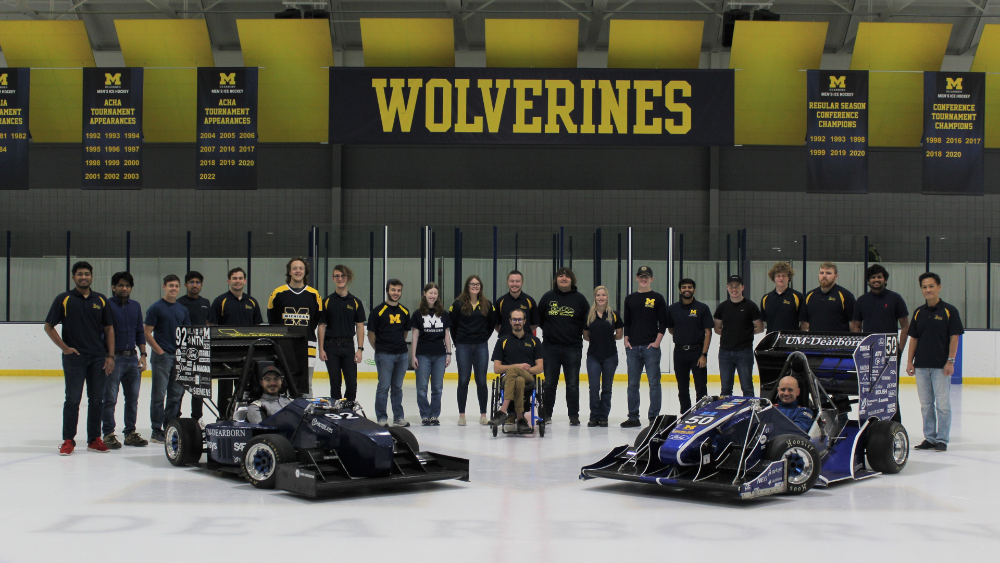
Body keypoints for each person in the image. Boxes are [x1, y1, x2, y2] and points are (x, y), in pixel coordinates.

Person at [44, 261, 115, 456]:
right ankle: (68, 440)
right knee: (73, 399)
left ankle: (94, 439)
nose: (83, 277)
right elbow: (49, 326)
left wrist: (110, 356)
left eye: (87, 274)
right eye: (80, 274)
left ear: (92, 277)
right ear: (73, 277)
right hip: (75, 358)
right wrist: (65, 348)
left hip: (98, 358)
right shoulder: (64, 299)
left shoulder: (100, 300)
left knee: (97, 400)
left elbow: (109, 329)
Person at [906, 273, 963, 453]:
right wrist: (909, 361)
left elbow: (954, 338)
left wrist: (950, 361)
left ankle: (942, 439)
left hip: (940, 366)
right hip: (921, 366)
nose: (928, 290)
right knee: (926, 405)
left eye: (931, 286)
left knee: (943, 405)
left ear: (939, 287)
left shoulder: (949, 311)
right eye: (924, 287)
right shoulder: (918, 312)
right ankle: (929, 437)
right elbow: (913, 338)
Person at [102, 272, 148, 449]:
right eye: (120, 285)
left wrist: (143, 354)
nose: (124, 288)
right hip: (115, 359)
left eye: (127, 286)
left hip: (133, 358)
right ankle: (108, 433)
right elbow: (104, 332)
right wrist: (108, 356)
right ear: (114, 287)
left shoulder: (135, 306)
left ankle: (130, 433)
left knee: (132, 399)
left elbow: (139, 332)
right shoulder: (107, 305)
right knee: (110, 398)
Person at [208, 267, 263, 417]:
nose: (237, 281)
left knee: (246, 388)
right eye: (234, 278)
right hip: (225, 354)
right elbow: (211, 327)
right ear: (228, 281)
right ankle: (224, 417)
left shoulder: (251, 301)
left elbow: (258, 328)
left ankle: (245, 417)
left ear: (244, 281)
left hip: (247, 354)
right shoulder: (220, 301)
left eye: (240, 278)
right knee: (225, 389)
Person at [539, 267, 590, 426]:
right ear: (556, 279)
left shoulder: (580, 299)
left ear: (572, 280)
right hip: (550, 347)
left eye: (567, 276)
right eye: (560, 276)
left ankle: (573, 416)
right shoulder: (548, 297)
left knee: (573, 384)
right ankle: (547, 414)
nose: (563, 278)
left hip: (573, 348)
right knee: (549, 383)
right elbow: (540, 319)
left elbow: (587, 321)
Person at [144, 275, 191, 444]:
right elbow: (147, 332)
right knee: (159, 394)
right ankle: (156, 430)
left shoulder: (182, 309)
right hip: (162, 357)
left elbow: (186, 333)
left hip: (178, 357)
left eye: (177, 286)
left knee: (175, 395)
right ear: (164, 286)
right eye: (171, 285)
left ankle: (170, 427)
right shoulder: (156, 308)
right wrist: (160, 351)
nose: (174, 288)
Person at [267, 257, 323, 395]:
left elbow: (316, 321)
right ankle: (285, 414)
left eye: (301, 268)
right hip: (284, 345)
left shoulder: (314, 295)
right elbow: (273, 321)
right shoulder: (277, 293)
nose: (298, 271)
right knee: (283, 383)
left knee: (306, 385)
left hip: (307, 344)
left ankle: (305, 415)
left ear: (305, 272)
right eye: (294, 268)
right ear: (289, 272)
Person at [621, 265, 668, 428]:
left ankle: (654, 418)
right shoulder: (630, 299)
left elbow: (663, 322)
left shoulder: (658, 298)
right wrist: (626, 340)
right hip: (633, 347)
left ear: (651, 279)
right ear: (636, 278)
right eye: (640, 276)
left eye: (646, 276)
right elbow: (627, 321)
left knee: (654, 383)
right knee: (632, 384)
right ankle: (633, 417)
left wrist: (657, 342)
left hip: (650, 347)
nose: (643, 279)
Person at [450, 274, 496, 426]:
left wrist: (482, 338)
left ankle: (483, 415)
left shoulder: (487, 305)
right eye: (472, 284)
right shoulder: (458, 305)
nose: (475, 286)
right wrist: (459, 342)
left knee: (481, 381)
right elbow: (453, 326)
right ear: (467, 287)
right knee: (463, 380)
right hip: (463, 345)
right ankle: (462, 415)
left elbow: (491, 326)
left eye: (477, 284)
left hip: (481, 345)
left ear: (481, 287)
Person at [489, 308, 544, 434]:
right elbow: (497, 368)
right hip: (508, 378)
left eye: (520, 319)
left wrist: (524, 370)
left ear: (524, 321)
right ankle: (520, 419)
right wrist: (517, 367)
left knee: (516, 372)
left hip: (528, 377)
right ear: (510, 321)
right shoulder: (502, 341)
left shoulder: (534, 341)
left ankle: (503, 411)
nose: (517, 322)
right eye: (514, 319)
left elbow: (540, 368)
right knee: (517, 379)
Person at [318, 265, 366, 401]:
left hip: (348, 347)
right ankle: (336, 412)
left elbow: (360, 326)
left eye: (343, 276)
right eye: (337, 276)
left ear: (348, 278)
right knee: (335, 384)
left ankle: (348, 410)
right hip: (330, 346)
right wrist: (321, 349)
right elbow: (321, 326)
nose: (340, 279)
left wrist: (360, 349)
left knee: (351, 384)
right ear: (333, 278)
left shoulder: (355, 302)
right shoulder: (326, 302)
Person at [665, 278, 714, 414]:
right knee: (682, 387)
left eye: (690, 287)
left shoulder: (702, 308)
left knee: (701, 387)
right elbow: (671, 329)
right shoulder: (672, 309)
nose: (687, 289)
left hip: (697, 352)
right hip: (679, 352)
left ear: (694, 290)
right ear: (680, 290)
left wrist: (704, 355)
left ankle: (701, 414)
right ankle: (685, 414)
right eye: (684, 287)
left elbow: (708, 333)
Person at [368, 279, 411, 427]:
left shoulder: (405, 311)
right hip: (384, 354)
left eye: (398, 290)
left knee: (397, 387)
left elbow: (405, 333)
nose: (396, 293)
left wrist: (397, 346)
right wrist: (380, 349)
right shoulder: (377, 311)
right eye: (393, 290)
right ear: (387, 291)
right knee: (384, 387)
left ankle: (398, 418)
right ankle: (381, 418)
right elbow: (371, 334)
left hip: (402, 355)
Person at [714, 275, 764, 397]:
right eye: (731, 286)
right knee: (725, 389)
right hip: (725, 352)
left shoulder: (750, 306)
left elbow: (760, 327)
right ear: (727, 288)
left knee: (747, 388)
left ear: (743, 287)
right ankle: (727, 414)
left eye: (737, 286)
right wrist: (730, 333)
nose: (734, 289)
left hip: (744, 352)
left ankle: (749, 414)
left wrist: (743, 333)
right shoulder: (722, 307)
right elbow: (717, 328)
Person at [411, 282, 452, 426]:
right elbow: (415, 336)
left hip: (440, 355)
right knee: (422, 387)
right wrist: (413, 355)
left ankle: (434, 415)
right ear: (424, 294)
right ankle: (425, 415)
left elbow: (447, 335)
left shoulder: (444, 314)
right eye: (430, 293)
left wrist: (449, 353)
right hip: (423, 355)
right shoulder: (417, 314)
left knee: (437, 388)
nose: (433, 296)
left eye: (435, 293)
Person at [583, 286, 622, 427]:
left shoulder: (614, 314)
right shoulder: (589, 315)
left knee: (606, 388)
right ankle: (594, 416)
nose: (601, 297)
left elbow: (619, 334)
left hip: (610, 356)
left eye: (603, 295)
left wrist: (606, 338)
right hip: (593, 356)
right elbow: (586, 335)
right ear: (594, 297)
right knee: (593, 388)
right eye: (598, 295)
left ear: (607, 297)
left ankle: (604, 416)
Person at [177, 271, 210, 423]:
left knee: (199, 387)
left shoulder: (205, 302)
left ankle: (197, 418)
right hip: (183, 349)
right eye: (192, 282)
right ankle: (175, 416)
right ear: (185, 285)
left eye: (198, 282)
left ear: (202, 285)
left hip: (201, 349)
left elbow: (208, 324)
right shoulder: (179, 303)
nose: (195, 285)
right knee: (179, 387)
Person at [801, 262, 856, 332]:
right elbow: (804, 322)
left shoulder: (845, 295)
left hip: (838, 341)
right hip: (815, 341)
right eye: (821, 273)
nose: (824, 276)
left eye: (828, 273)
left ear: (836, 276)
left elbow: (854, 322)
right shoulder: (810, 295)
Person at [760, 262, 803, 332]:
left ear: (789, 278)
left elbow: (803, 322)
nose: (781, 278)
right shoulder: (766, 298)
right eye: (778, 276)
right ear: (773, 278)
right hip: (772, 340)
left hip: (790, 340)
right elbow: (764, 321)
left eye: (784, 275)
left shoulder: (797, 297)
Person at [495, 270, 540, 337]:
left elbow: (535, 323)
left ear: (522, 282)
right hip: (505, 341)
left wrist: (526, 333)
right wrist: (503, 333)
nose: (514, 284)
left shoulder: (530, 301)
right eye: (512, 281)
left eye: (517, 281)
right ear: (507, 282)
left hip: (525, 342)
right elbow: (495, 323)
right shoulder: (500, 301)